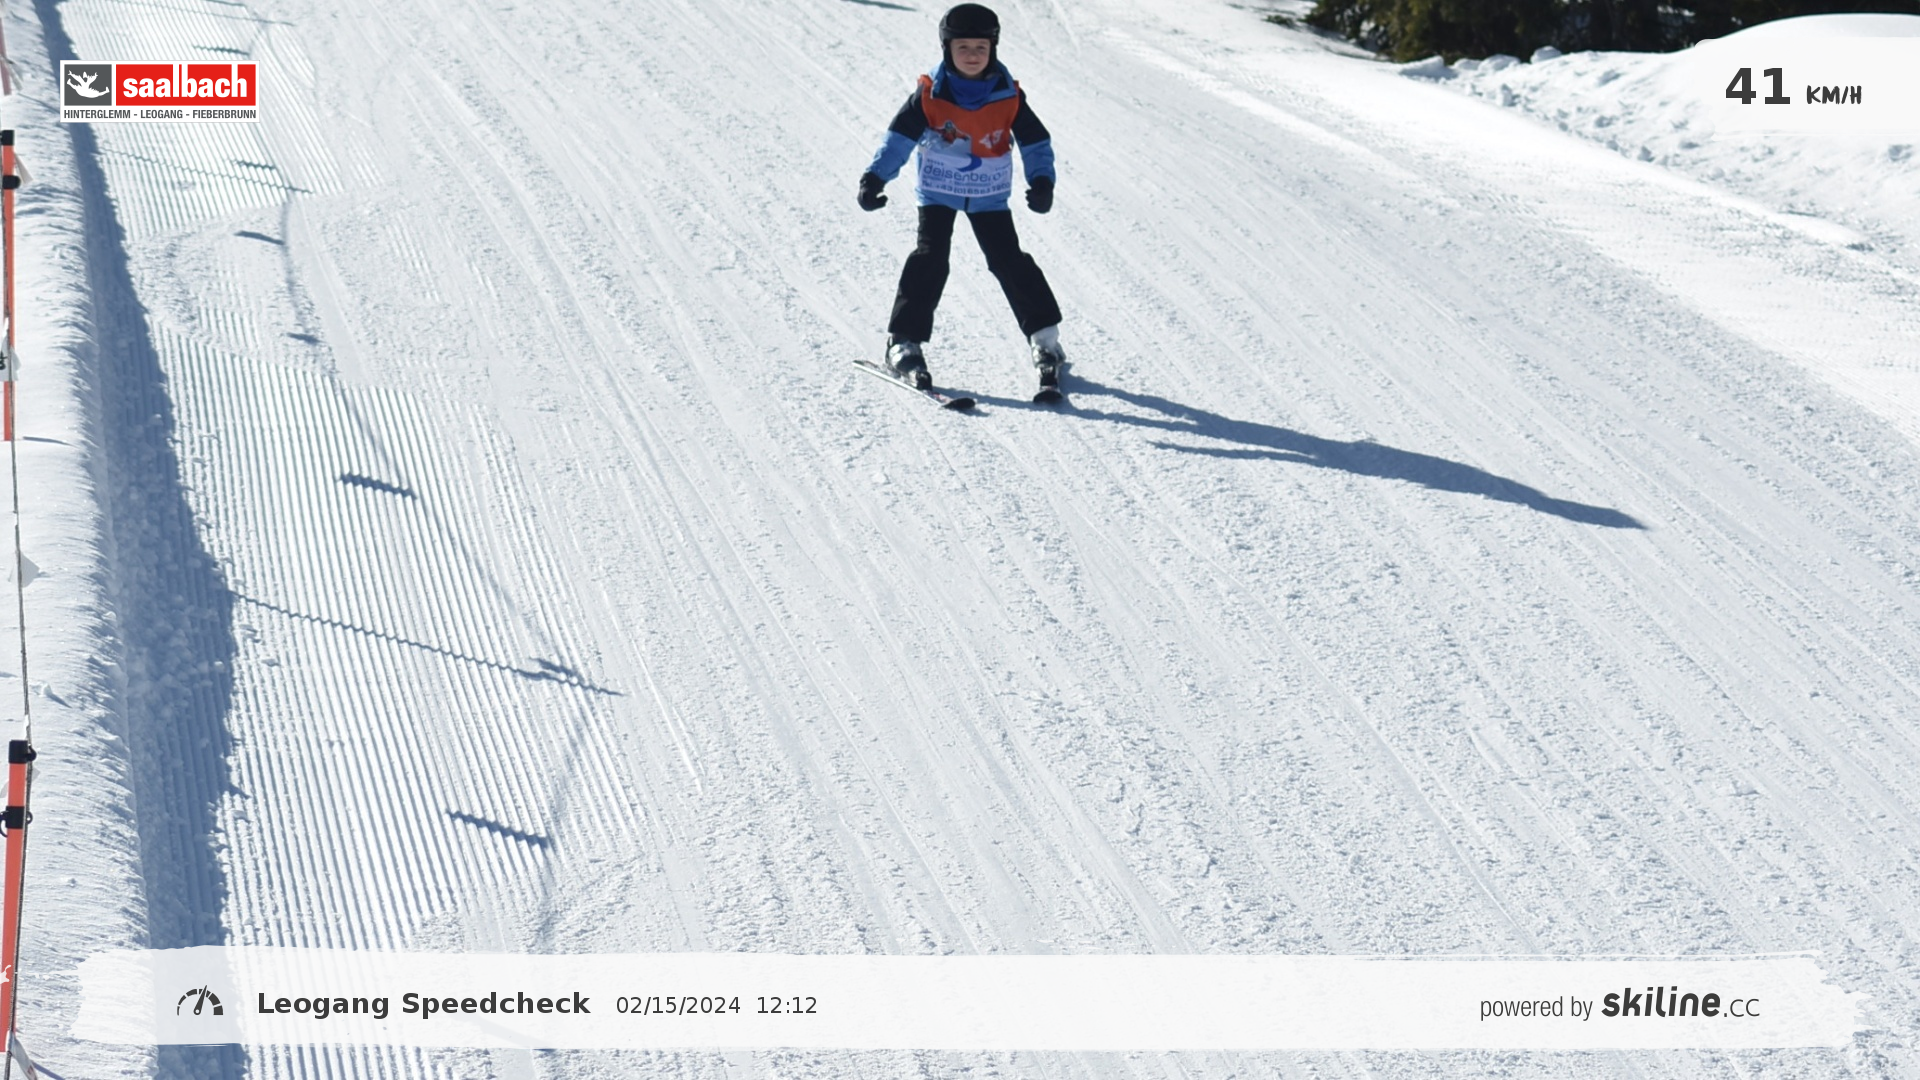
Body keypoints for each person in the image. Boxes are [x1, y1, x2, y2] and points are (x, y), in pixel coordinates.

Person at [858, 3, 1066, 394]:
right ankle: (903, 342)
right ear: (947, 49)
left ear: (993, 49)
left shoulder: (1008, 96)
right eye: (963, 47)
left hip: (988, 195)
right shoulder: (930, 95)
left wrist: (1042, 181)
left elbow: (1035, 141)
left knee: (1008, 261)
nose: (972, 55)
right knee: (930, 258)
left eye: (981, 48)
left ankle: (1045, 340)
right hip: (938, 192)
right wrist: (875, 177)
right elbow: (899, 138)